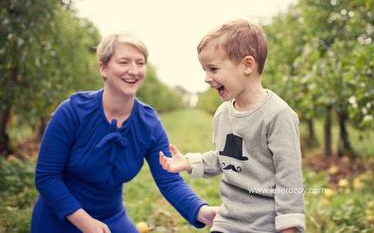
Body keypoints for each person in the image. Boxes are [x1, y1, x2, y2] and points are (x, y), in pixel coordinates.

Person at [31, 34, 217, 233]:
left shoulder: (148, 123)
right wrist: (85, 222)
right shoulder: (72, 112)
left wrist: (201, 211)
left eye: (140, 63)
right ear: (103, 68)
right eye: (123, 62)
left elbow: (169, 179)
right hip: (60, 216)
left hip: (111, 217)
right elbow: (47, 177)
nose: (134, 70)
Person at [160, 20, 306, 233]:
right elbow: (225, 157)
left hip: (265, 225)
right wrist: (190, 162)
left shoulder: (278, 115)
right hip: (227, 221)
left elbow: (289, 178)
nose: (207, 79)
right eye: (204, 69)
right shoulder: (223, 114)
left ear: (247, 65)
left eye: (213, 69)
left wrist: (289, 227)